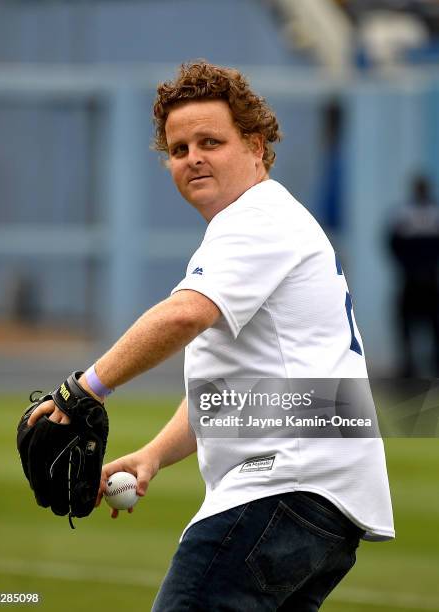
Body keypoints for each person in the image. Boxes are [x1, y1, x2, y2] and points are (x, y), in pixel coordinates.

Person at [28, 61, 394, 611]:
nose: (193, 157)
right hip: (321, 499)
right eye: (179, 149)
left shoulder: (256, 218)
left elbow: (183, 316)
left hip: (283, 487)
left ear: (256, 146)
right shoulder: (268, 220)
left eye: (210, 141)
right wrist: (153, 455)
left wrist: (84, 388)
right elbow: (238, 392)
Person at [388, 174, 439, 377]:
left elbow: (392, 243)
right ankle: (408, 366)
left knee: (433, 325)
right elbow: (392, 243)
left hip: (428, 279)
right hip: (412, 278)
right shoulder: (404, 213)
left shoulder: (432, 213)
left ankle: (432, 366)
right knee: (406, 324)